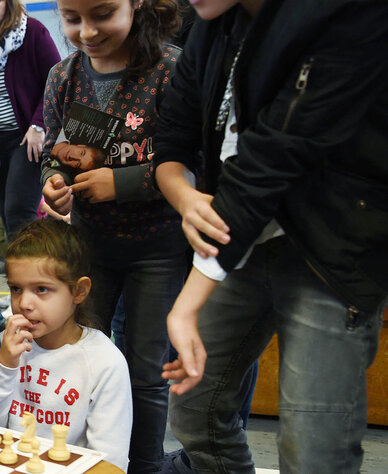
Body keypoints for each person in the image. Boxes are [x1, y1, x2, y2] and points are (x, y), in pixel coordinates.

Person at [153, 0, 388, 472]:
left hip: (328, 253)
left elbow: (269, 163)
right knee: (194, 408)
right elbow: (173, 132)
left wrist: (186, 305)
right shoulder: (213, 23)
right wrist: (184, 196)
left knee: (312, 451)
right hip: (238, 246)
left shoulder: (348, 15)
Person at [39, 1, 183, 471]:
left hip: (158, 248)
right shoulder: (63, 77)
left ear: (136, 3)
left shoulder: (171, 71)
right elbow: (56, 151)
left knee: (145, 372)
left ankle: (144, 465)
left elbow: (193, 164)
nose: (87, 32)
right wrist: (54, 181)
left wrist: (120, 183)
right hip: (91, 248)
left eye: (102, 14)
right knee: (83, 361)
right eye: (72, 19)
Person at [0, 219, 131, 471]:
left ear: (79, 291)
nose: (24, 303)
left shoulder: (105, 362)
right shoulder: (12, 342)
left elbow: (110, 464)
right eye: (16, 288)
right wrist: (4, 364)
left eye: (41, 289)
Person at [0, 0, 60, 244]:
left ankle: (30, 266)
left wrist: (39, 124)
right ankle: (18, 268)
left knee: (19, 212)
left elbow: (57, 82)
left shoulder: (33, 32)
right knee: (6, 216)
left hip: (26, 138)